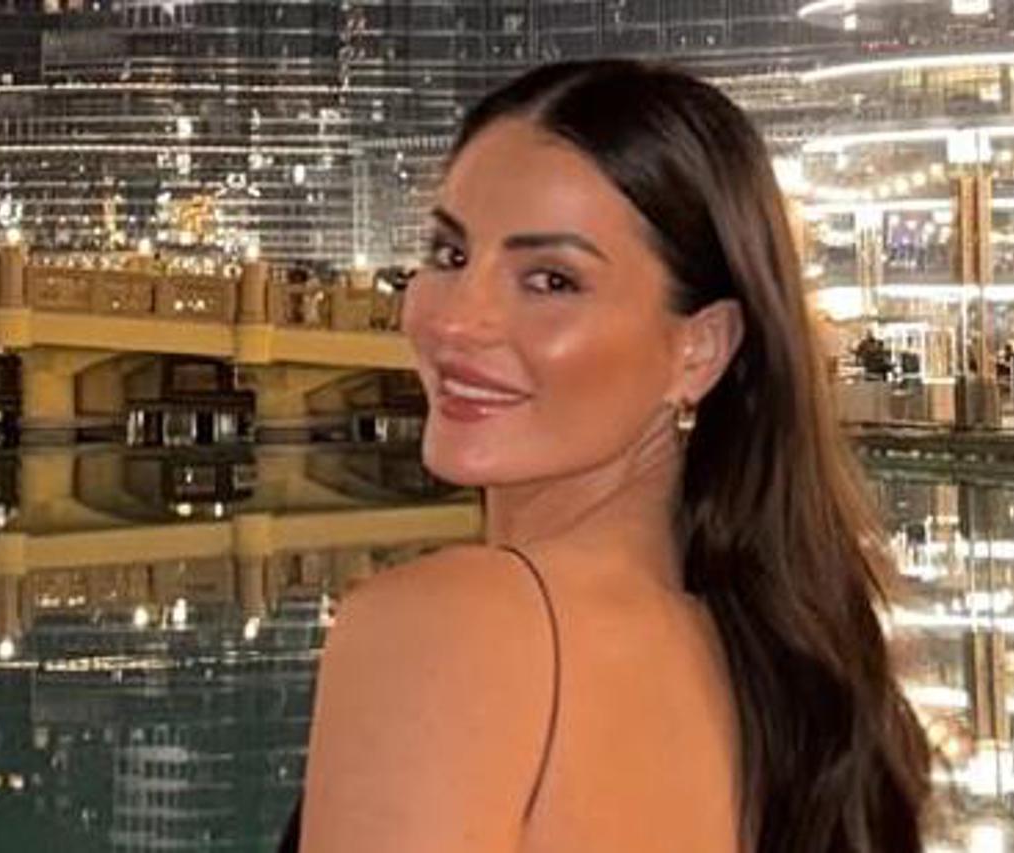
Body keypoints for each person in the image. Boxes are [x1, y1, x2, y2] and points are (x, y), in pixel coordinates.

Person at [291, 60, 930, 853]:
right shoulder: (776, 675)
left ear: (700, 349)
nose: (454, 321)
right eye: (450, 255)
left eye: (550, 280)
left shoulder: (453, 626)